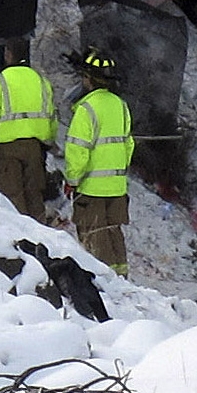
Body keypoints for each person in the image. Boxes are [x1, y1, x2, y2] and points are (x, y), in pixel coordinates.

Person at [61, 45, 135, 274]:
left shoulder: (86, 109)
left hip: (92, 188)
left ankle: (105, 285)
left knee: (94, 237)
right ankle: (122, 280)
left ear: (88, 78)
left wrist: (72, 180)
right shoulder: (120, 106)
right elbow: (128, 144)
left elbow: (77, 151)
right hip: (117, 187)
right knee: (114, 234)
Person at [0, 43, 55, 222]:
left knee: (11, 200)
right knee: (35, 197)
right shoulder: (41, 82)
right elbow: (51, 119)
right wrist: (46, 145)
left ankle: (21, 244)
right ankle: (42, 242)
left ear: (8, 54)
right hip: (35, 149)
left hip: (6, 151)